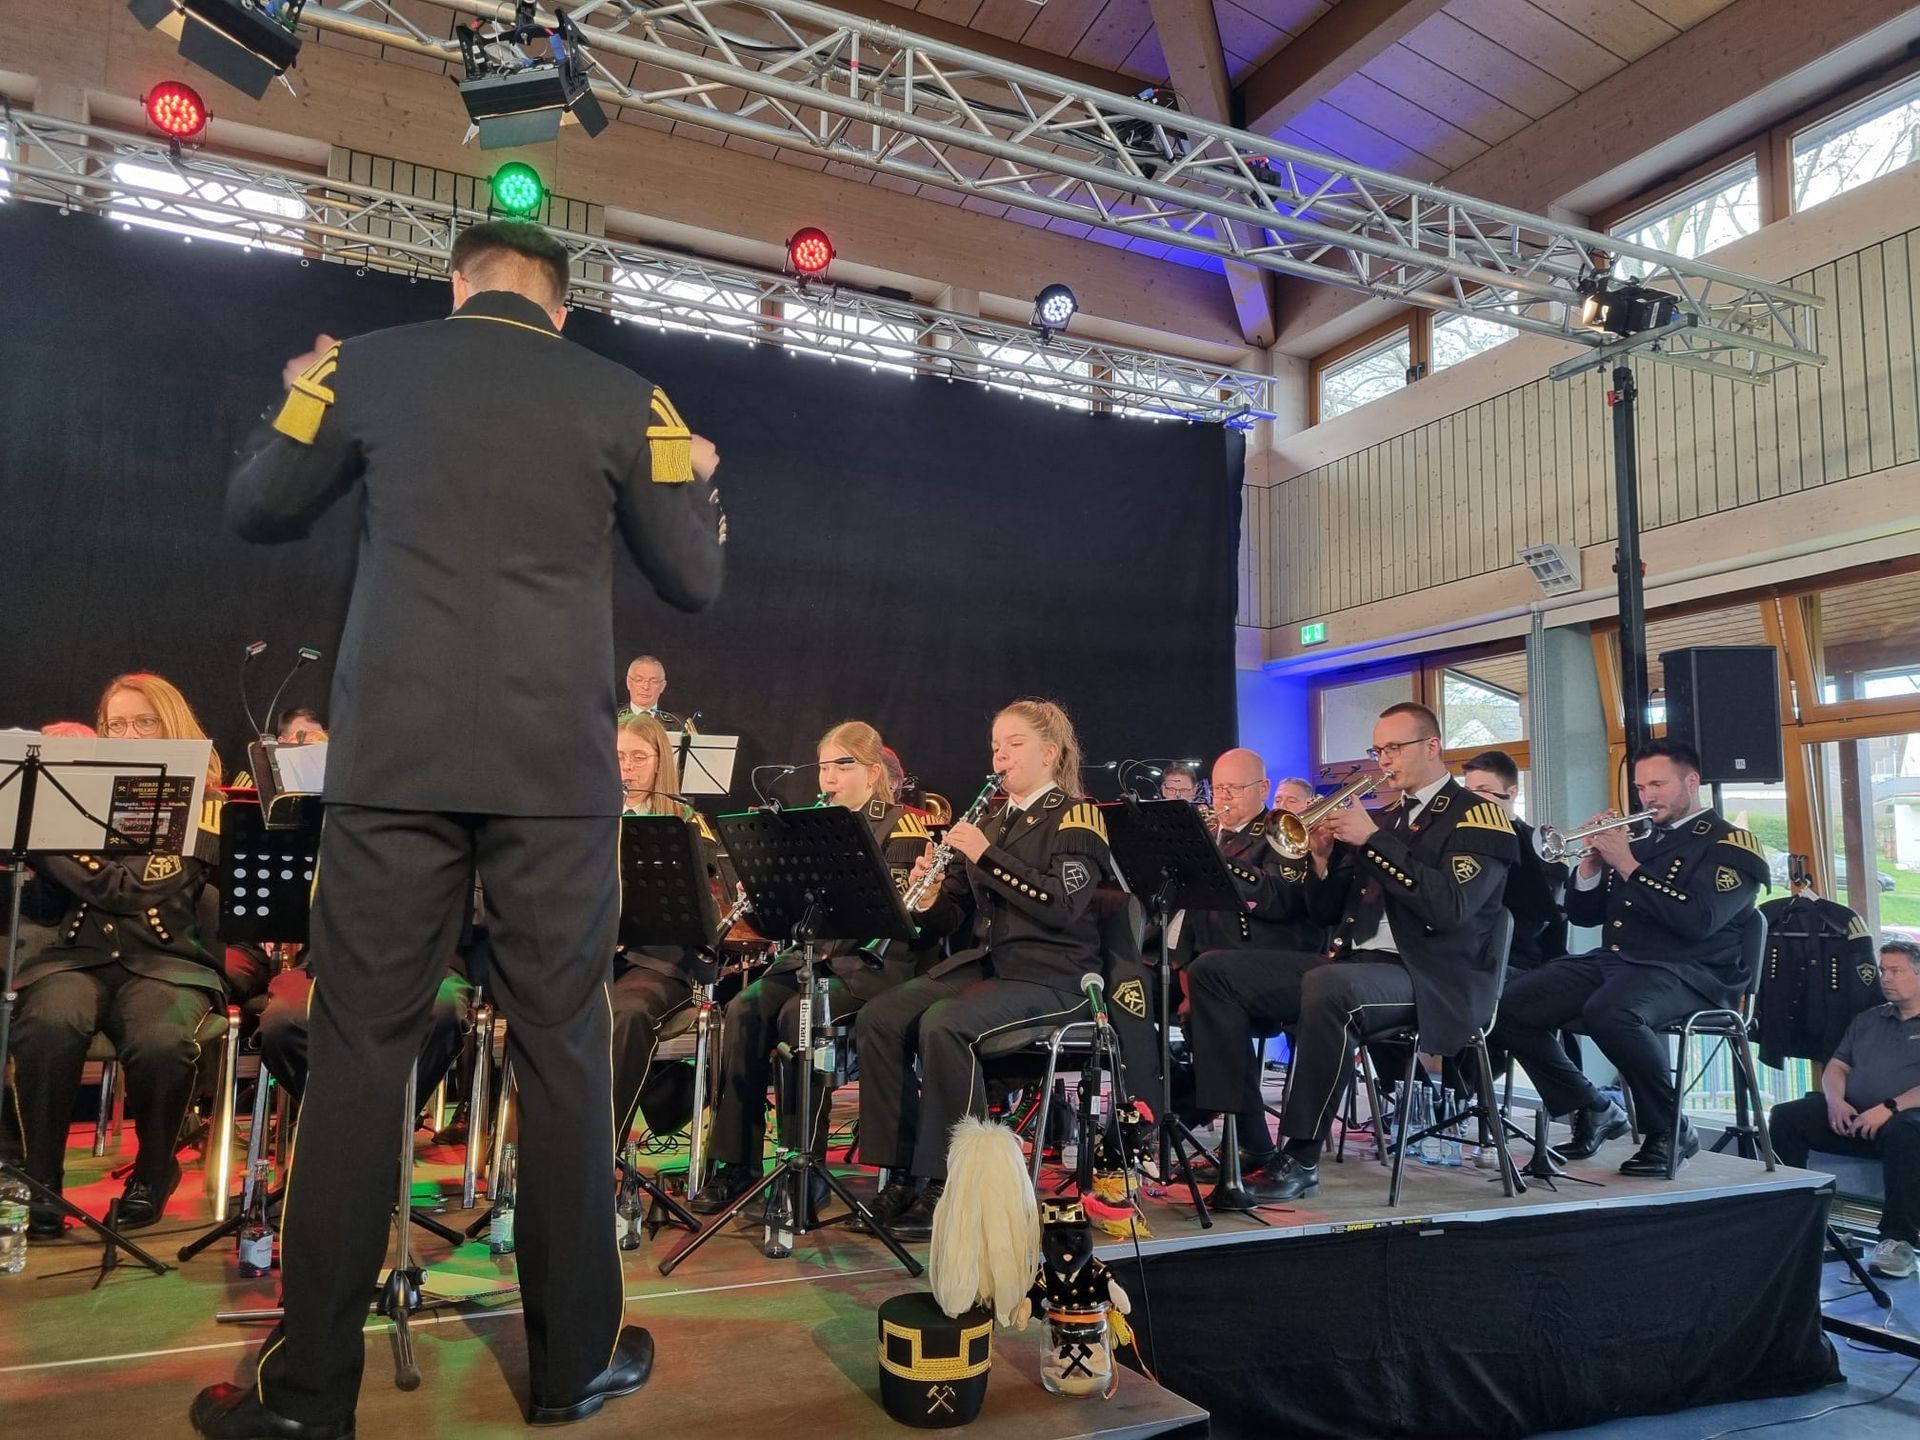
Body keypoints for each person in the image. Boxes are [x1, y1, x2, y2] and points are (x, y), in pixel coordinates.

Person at [193, 217, 726, 1440]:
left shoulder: (363, 369)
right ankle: (573, 1365)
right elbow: (692, 579)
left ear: (456, 286)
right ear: (561, 306)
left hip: (396, 771)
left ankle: (308, 1398)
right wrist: (695, 476)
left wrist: (300, 396)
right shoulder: (628, 397)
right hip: (556, 786)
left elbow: (258, 507)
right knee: (565, 1056)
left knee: (358, 1054)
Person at [855, 700, 1154, 1240]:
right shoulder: (990, 819)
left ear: (1050, 752)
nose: (1000, 756)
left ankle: (950, 1183)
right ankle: (898, 1172)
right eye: (996, 746)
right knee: (881, 1016)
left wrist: (986, 855)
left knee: (945, 1023)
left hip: (1056, 975)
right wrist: (928, 897)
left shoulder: (1077, 817)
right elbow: (955, 913)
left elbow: (1062, 904)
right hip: (991, 966)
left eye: (1014, 744)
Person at [1221, 702, 1517, 1203]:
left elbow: (1451, 908)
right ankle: (1250, 1139)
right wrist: (1320, 860)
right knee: (1216, 973)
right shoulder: (1386, 817)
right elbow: (1325, 912)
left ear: (1432, 746)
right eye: (1378, 749)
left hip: (1433, 977)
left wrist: (1373, 841)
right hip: (1357, 964)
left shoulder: (1478, 817)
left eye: (1394, 747)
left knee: (1330, 986)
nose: (1384, 760)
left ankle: (1301, 1155)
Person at [10, 673, 231, 1234]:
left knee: (161, 1040)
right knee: (47, 1024)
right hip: (77, 957)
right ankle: (42, 1184)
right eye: (116, 725)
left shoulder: (204, 799)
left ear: (170, 726)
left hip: (166, 962)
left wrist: (52, 843)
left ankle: (153, 1174)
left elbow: (132, 889)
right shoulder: (69, 794)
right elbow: (49, 902)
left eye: (144, 722)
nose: (128, 735)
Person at [1491, 739, 1769, 1177]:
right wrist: (1590, 867)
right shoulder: (1641, 838)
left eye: (1658, 785)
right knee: (1506, 1006)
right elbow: (1584, 916)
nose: (1647, 796)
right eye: (1641, 787)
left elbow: (1698, 921)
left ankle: (1670, 1128)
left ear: (1692, 782)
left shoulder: (1731, 843)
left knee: (1611, 1012)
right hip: (1622, 962)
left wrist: (1626, 864)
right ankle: (1592, 1105)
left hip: (1694, 971)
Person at [690, 720, 930, 1215]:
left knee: (797, 1015)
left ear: (872, 772)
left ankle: (804, 1166)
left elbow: (896, 916)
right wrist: (762, 895)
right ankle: (736, 1163)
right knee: (744, 1009)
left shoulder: (902, 825)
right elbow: (786, 920)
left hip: (870, 964)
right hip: (811, 958)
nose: (829, 777)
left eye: (843, 765)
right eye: (823, 767)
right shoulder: (810, 825)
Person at [1180, 759, 1325, 1170]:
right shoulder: (1215, 833)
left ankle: (1249, 1143)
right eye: (1218, 789)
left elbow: (1281, 900)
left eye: (1234, 789)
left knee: (1205, 1008)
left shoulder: (1281, 831)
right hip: (1205, 960)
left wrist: (1217, 860)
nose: (1223, 798)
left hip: (1267, 963)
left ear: (1263, 788)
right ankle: (1159, 1113)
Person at [1767, 940, 1920, 1278]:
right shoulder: (1869, 1019)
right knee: (1786, 1117)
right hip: (1856, 1116)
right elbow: (1837, 1066)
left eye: (1896, 971)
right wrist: (1835, 1101)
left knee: (1905, 1130)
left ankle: (1898, 1241)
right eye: (1883, 970)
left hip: (1906, 1123)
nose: (1886, 978)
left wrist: (1889, 1108)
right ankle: (1799, 1223)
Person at [609, 711, 721, 1147]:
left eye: (639, 757)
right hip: (594, 956)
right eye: (619, 756)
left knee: (628, 1013)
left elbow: (705, 907)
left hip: (660, 963)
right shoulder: (587, 817)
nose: (628, 768)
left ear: (660, 763)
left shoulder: (687, 823)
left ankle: (601, 1150)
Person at [621, 655, 677, 726]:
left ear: (662, 686)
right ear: (628, 682)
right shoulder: (611, 720)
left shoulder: (678, 724)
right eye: (639, 680)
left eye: (653, 682)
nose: (646, 687)